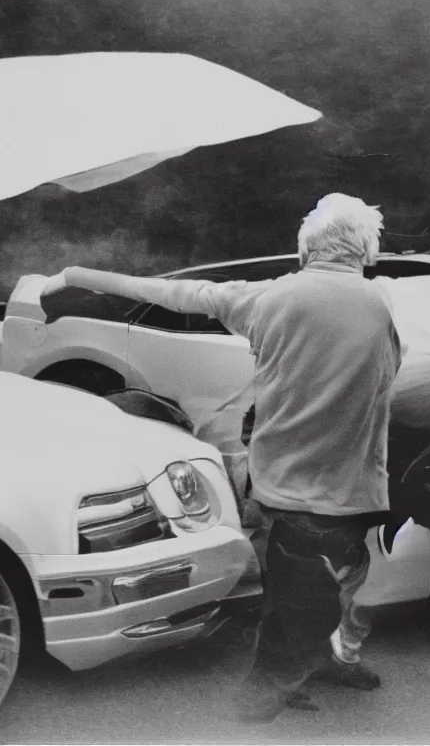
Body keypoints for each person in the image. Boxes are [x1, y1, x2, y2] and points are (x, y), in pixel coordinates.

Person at [39, 193, 403, 721]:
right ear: (365, 249)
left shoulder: (263, 299)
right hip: (349, 484)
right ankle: (267, 692)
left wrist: (75, 272)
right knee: (325, 584)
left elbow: (171, 292)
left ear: (305, 250)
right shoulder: (383, 302)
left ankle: (302, 667)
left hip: (281, 479)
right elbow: (393, 367)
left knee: (299, 586)